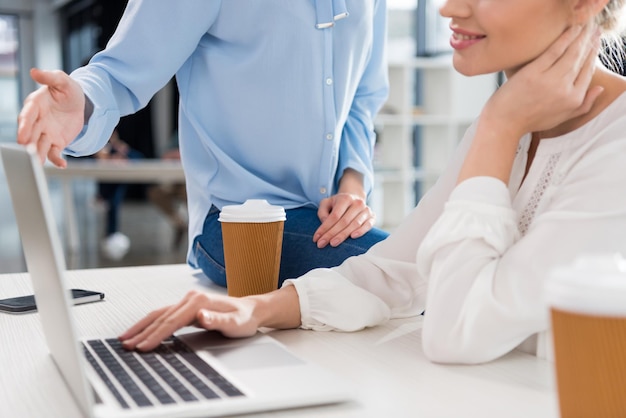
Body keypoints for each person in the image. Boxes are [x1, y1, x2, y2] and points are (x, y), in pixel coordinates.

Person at [117, 0, 626, 364]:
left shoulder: (588, 138)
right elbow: (394, 271)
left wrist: (498, 126)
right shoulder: (507, 124)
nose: (450, 8)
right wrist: (256, 308)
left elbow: (456, 335)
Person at [16, 1, 390, 287]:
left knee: (409, 278)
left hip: (327, 218)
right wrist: (79, 103)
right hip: (235, 221)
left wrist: (352, 185)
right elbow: (119, 73)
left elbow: (363, 95)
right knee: (412, 273)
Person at [93, 128, 144, 260]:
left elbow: (137, 158)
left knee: (114, 201)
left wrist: (122, 154)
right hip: (105, 181)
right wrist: (105, 157)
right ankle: (101, 199)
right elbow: (98, 160)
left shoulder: (121, 148)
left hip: (116, 180)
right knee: (112, 201)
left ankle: (112, 233)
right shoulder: (98, 147)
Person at [146, 131, 187, 249]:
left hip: (190, 181)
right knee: (156, 193)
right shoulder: (179, 133)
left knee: (190, 195)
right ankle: (179, 224)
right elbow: (165, 154)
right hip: (173, 178)